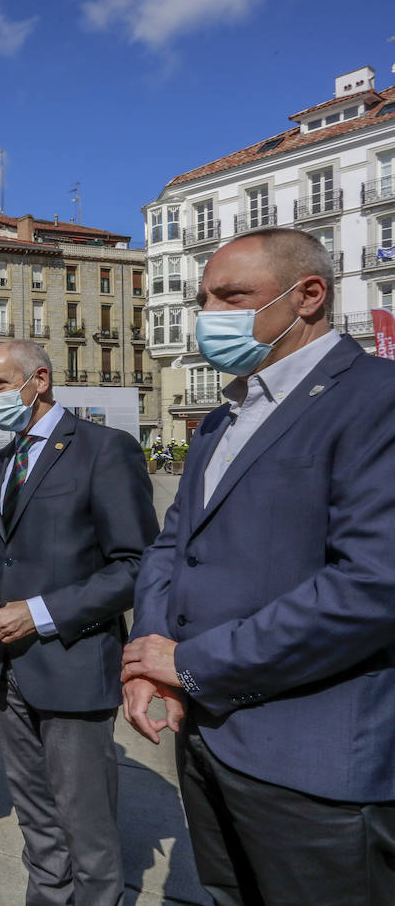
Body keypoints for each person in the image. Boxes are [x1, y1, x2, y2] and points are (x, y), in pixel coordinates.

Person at [123, 229, 395, 906]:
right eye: (204, 298)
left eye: (232, 296)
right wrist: (145, 655)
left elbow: (371, 585)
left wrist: (189, 663)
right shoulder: (221, 418)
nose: (209, 314)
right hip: (207, 741)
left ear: (308, 296)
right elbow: (173, 545)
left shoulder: (374, 398)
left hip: (315, 766)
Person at [0, 340, 158, 906]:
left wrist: (40, 613)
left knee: (87, 832)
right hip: (6, 671)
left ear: (40, 380)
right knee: (37, 822)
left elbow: (137, 565)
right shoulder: (1, 461)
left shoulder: (104, 450)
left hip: (73, 667)